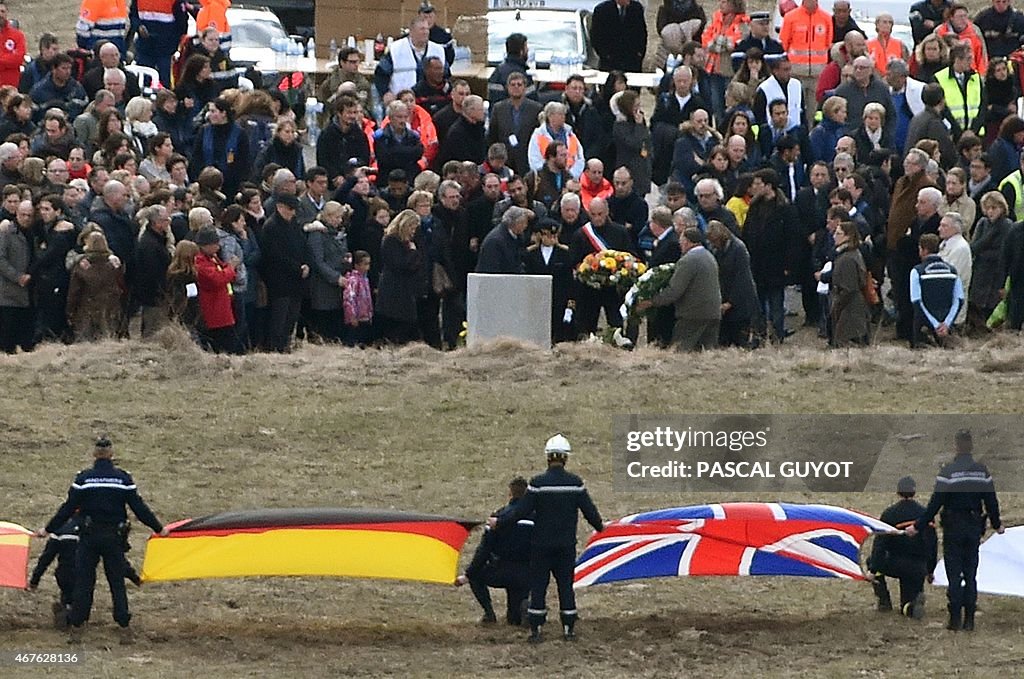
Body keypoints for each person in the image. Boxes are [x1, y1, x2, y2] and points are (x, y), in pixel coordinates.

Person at [40, 436, 168, 645]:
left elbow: (68, 508)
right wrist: (159, 528)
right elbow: (139, 508)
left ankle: (77, 628)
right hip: (113, 539)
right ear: (111, 454)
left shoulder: (84, 479)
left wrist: (48, 529)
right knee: (116, 583)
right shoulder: (123, 479)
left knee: (84, 583)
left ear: (94, 454)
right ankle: (124, 628)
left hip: (89, 538)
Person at [490, 434, 604, 643]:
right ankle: (568, 627)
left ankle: (537, 629)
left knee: (539, 586)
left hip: (541, 546)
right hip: (566, 546)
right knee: (565, 586)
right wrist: (602, 528)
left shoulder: (538, 484)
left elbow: (520, 511)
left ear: (548, 458)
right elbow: (590, 512)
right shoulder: (575, 484)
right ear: (566, 458)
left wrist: (500, 521)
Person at [907, 429, 1003, 631]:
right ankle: (969, 620)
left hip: (953, 527)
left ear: (956, 446)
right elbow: (991, 501)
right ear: (971, 447)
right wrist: (996, 524)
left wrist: (918, 526)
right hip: (974, 527)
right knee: (970, 574)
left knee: (954, 574)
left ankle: (954, 620)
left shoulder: (948, 472)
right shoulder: (982, 471)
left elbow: (935, 504)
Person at [456, 476, 533, 626]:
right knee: (514, 620)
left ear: (510, 494)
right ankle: (524, 609)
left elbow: (484, 550)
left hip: (500, 570)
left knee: (476, 577)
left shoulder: (497, 518)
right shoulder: (536, 518)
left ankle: (489, 614)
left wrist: (468, 575)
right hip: (525, 574)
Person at [640, 225, 722, 351]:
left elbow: (674, 291)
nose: (680, 245)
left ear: (687, 242)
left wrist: (652, 301)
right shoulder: (709, 256)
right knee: (706, 353)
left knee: (680, 351)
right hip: (713, 313)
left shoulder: (688, 261)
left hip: (693, 315)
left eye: (681, 242)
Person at [867, 476, 938, 618]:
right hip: (919, 566)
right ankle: (911, 604)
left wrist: (873, 570)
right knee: (907, 604)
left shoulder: (890, 514)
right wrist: (930, 570)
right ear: (915, 492)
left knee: (870, 561)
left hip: (895, 564)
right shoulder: (925, 514)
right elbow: (933, 544)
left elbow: (880, 545)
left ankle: (884, 602)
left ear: (898, 492)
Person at [260, 193, 309, 352]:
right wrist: (297, 267)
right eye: (290, 209)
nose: (293, 212)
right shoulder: (271, 227)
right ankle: (276, 348)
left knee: (291, 317)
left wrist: (306, 264)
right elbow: (274, 255)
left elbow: (303, 245)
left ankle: (286, 346)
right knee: (279, 319)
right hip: (280, 281)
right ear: (279, 207)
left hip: (297, 280)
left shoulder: (294, 224)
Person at [374, 15, 446, 106]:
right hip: (401, 102)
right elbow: (381, 73)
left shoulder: (438, 50)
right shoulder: (396, 49)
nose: (426, 32)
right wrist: (385, 93)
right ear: (411, 32)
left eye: (427, 29)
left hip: (430, 101)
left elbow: (446, 75)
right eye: (422, 29)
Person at [525, 218, 576, 344]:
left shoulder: (564, 253)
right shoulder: (531, 254)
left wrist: (570, 301)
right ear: (540, 235)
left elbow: (569, 279)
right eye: (548, 235)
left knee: (558, 326)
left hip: (559, 296)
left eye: (554, 235)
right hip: (537, 297)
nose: (551, 239)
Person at [909, 233, 964, 347]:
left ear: (923, 250)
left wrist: (935, 324)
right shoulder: (952, 270)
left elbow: (916, 301)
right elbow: (959, 299)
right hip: (947, 326)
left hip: (924, 326)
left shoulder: (917, 271)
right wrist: (946, 323)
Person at [0, 198, 34, 353]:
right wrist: (17, 276)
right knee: (8, 331)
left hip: (30, 290)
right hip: (9, 290)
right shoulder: (7, 233)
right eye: (23, 215)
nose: (26, 218)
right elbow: (1, 259)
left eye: (29, 215)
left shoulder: (35, 233)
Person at [829, 220, 870, 346]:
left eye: (838, 233)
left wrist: (837, 305)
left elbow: (849, 288)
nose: (834, 236)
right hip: (852, 309)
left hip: (850, 312)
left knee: (847, 346)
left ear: (848, 236)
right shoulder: (850, 254)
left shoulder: (847, 258)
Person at [592, 0, 648, 73]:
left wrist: (639, 53)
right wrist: (605, 55)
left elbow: (641, 33)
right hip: (610, 61)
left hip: (632, 60)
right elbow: (596, 36)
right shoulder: (602, 10)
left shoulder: (636, 8)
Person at [476, 206, 528, 274]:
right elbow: (491, 268)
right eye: (524, 223)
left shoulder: (518, 236)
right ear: (515, 223)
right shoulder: (495, 241)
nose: (526, 226)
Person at [487, 33, 534, 104]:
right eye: (526, 47)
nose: (528, 50)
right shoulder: (521, 75)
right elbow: (532, 100)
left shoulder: (498, 71)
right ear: (521, 52)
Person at [0, 2, 27, 89]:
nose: (0, 14)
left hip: (12, 88)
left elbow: (18, 59)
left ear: (7, 13)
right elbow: (13, 60)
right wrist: (8, 60)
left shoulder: (18, 35)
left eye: (2, 11)